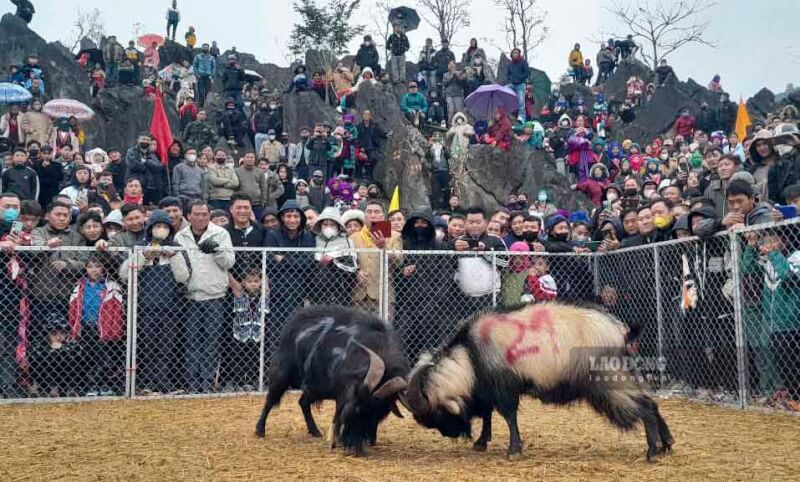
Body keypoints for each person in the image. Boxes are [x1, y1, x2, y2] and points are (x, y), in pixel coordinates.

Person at [175, 200, 235, 393]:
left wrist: (216, 250)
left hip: (215, 295)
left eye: (204, 214)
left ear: (209, 215)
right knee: (191, 341)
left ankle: (208, 381)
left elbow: (229, 262)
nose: (200, 218)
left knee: (211, 341)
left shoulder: (221, 233)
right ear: (189, 215)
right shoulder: (180, 236)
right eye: (196, 214)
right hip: (190, 295)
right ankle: (192, 382)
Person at [263, 200, 316, 353]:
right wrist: (295, 261)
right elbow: (271, 263)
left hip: (299, 292)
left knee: (296, 332)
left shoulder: (307, 237)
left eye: (296, 216)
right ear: (282, 218)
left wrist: (285, 259)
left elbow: (308, 263)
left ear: (301, 218)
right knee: (275, 334)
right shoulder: (273, 235)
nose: (292, 220)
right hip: (277, 292)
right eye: (288, 216)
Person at [349, 200, 402, 314]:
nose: (373, 215)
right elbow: (349, 263)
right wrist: (357, 272)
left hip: (384, 294)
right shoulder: (354, 237)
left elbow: (398, 261)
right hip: (359, 294)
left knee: (383, 331)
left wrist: (384, 247)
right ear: (364, 215)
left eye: (377, 212)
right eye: (369, 212)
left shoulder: (394, 236)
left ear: (383, 215)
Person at [310, 207, 358, 307]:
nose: (328, 227)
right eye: (325, 224)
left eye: (332, 224)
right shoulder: (314, 240)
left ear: (338, 226)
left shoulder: (347, 242)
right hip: (316, 292)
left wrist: (334, 261)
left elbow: (352, 268)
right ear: (321, 225)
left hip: (339, 292)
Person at [125, 133, 169, 205]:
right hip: (135, 184)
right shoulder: (131, 151)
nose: (145, 141)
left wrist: (146, 162)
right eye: (143, 139)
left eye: (147, 140)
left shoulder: (151, 154)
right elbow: (132, 165)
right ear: (138, 140)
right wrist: (146, 166)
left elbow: (158, 167)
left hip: (149, 186)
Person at [357, 110, 388, 181]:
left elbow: (381, 132)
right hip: (363, 147)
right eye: (365, 114)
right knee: (359, 160)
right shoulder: (359, 125)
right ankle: (360, 176)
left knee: (373, 158)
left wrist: (386, 134)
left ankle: (369, 174)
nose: (366, 116)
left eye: (368, 114)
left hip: (372, 146)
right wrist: (360, 146)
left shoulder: (374, 125)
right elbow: (358, 137)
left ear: (370, 116)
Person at [505, 48, 531, 122]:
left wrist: (520, 78)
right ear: (512, 54)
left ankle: (522, 118)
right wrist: (511, 78)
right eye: (514, 53)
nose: (515, 54)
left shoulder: (523, 62)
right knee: (503, 90)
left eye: (516, 53)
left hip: (521, 84)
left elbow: (527, 72)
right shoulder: (510, 64)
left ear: (519, 54)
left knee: (521, 101)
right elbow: (507, 74)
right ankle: (507, 112)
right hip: (512, 84)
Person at [427, 132, 450, 210]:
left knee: (446, 189)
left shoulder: (443, 148)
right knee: (435, 191)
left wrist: (444, 147)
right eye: (435, 138)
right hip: (435, 171)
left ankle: (447, 207)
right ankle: (436, 208)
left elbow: (448, 156)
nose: (437, 139)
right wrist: (429, 146)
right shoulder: (431, 148)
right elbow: (427, 156)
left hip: (444, 170)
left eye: (439, 137)